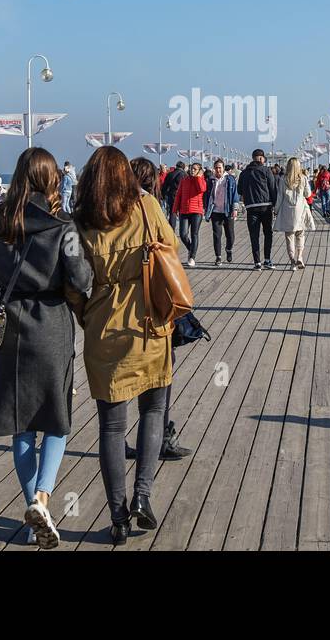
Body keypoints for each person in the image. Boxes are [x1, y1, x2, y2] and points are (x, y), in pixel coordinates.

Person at [0, 147, 92, 548]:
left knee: (19, 423)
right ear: (51, 178)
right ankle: (43, 496)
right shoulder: (65, 225)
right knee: (56, 417)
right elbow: (80, 276)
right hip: (53, 324)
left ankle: (32, 511)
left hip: (10, 328)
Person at [70, 146, 176, 544]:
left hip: (104, 323)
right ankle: (142, 498)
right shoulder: (146, 206)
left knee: (112, 426)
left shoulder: (80, 220)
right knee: (153, 409)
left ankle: (117, 514)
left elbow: (72, 280)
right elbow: (171, 248)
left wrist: (88, 313)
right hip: (149, 319)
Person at [126, 156, 193, 463]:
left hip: (115, 305)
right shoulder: (147, 202)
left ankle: (118, 439)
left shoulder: (107, 204)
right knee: (162, 371)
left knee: (124, 376)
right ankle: (160, 437)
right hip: (151, 300)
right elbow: (172, 243)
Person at [238, 148, 281, 270]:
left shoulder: (244, 173)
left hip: (251, 207)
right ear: (262, 159)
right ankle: (267, 260)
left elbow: (239, 190)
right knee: (268, 233)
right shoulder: (266, 171)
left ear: (253, 158)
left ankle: (257, 262)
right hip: (266, 207)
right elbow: (273, 189)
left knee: (254, 235)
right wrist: (275, 206)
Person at [274, 158, 316, 270]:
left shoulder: (283, 179)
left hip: (287, 211)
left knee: (289, 237)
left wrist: (276, 210)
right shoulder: (303, 179)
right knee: (300, 235)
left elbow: (279, 197)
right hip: (300, 210)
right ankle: (300, 257)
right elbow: (308, 194)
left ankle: (292, 262)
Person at [172, 161, 207, 267]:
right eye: (191, 168)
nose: (192, 170)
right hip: (184, 211)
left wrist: (198, 177)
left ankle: (192, 257)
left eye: (195, 169)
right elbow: (178, 195)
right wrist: (175, 209)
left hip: (197, 211)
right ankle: (191, 249)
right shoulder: (184, 180)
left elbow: (202, 189)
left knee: (194, 234)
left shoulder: (201, 180)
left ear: (199, 171)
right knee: (183, 235)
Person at [205, 157, 238, 266]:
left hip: (227, 211)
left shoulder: (230, 179)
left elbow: (234, 195)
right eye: (216, 168)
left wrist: (235, 209)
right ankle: (218, 257)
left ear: (223, 168)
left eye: (219, 168)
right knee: (217, 235)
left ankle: (229, 249)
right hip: (215, 212)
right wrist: (206, 207)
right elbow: (207, 195)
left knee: (230, 235)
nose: (218, 170)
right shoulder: (211, 180)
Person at [161, 161, 186, 233]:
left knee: (173, 212)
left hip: (171, 195)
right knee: (182, 212)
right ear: (183, 167)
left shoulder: (170, 174)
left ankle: (172, 229)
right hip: (182, 195)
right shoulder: (185, 174)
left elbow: (165, 186)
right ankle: (183, 229)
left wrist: (163, 194)